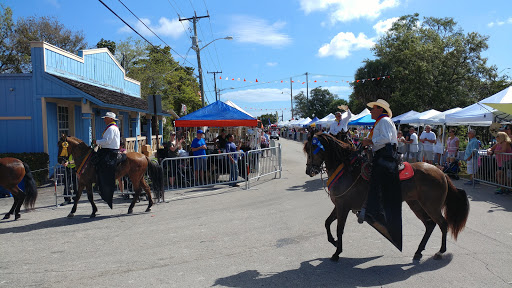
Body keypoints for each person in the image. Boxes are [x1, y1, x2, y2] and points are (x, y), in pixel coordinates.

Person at [359, 99, 402, 248]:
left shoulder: (383, 121)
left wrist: (370, 142)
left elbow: (385, 139)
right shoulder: (380, 121)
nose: (370, 111)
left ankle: (374, 210)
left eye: (373, 108)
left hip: (385, 154)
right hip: (381, 152)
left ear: (380, 110)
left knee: (376, 178)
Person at [93, 111, 120, 209]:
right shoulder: (112, 128)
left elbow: (107, 141)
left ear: (111, 119)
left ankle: (102, 183)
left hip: (109, 151)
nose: (104, 120)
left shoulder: (111, 128)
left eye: (106, 118)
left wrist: (97, 141)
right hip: (108, 150)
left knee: (101, 164)